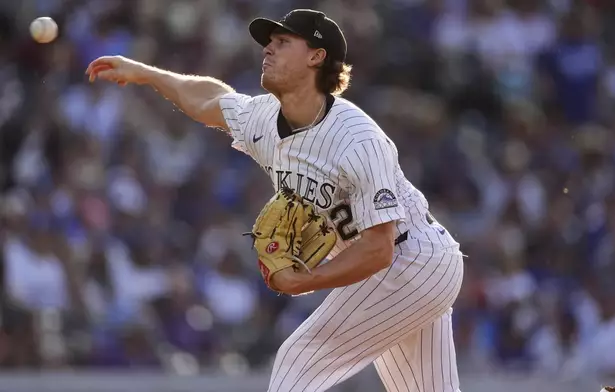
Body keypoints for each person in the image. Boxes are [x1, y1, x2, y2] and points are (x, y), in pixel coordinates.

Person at [86, 8, 464, 392]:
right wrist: (147, 73)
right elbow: (208, 100)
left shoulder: (358, 139)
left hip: (411, 259)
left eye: (283, 42)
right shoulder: (264, 118)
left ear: (316, 56)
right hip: (401, 270)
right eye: (269, 42)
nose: (268, 49)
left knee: (300, 357)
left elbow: (380, 249)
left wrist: (308, 280)